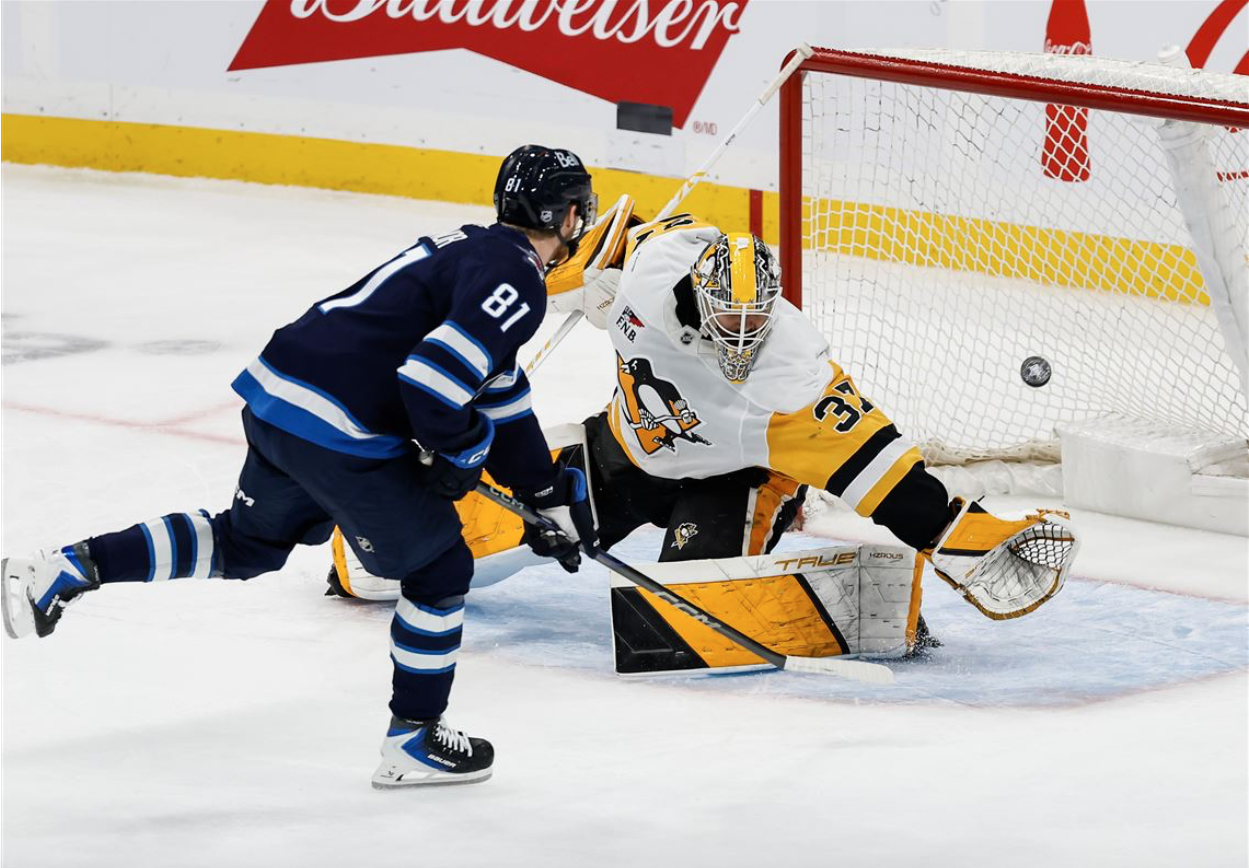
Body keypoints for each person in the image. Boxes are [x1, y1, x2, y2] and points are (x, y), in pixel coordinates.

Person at [0, 144, 600, 789]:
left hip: (281, 397)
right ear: (566, 215)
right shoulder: (516, 278)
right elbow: (432, 382)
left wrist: (541, 490)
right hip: (341, 426)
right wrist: (461, 449)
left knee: (246, 543)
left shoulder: (472, 248)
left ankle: (66, 568)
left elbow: (498, 393)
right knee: (439, 567)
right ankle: (414, 740)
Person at [329, 210, 1078, 662]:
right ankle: (366, 552)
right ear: (698, 292)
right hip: (623, 451)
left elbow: (884, 472)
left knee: (680, 622)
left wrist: (957, 531)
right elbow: (563, 258)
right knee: (388, 565)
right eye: (730, 319)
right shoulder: (650, 270)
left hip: (733, 479)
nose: (743, 337)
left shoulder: (795, 375)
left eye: (757, 321)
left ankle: (872, 604)